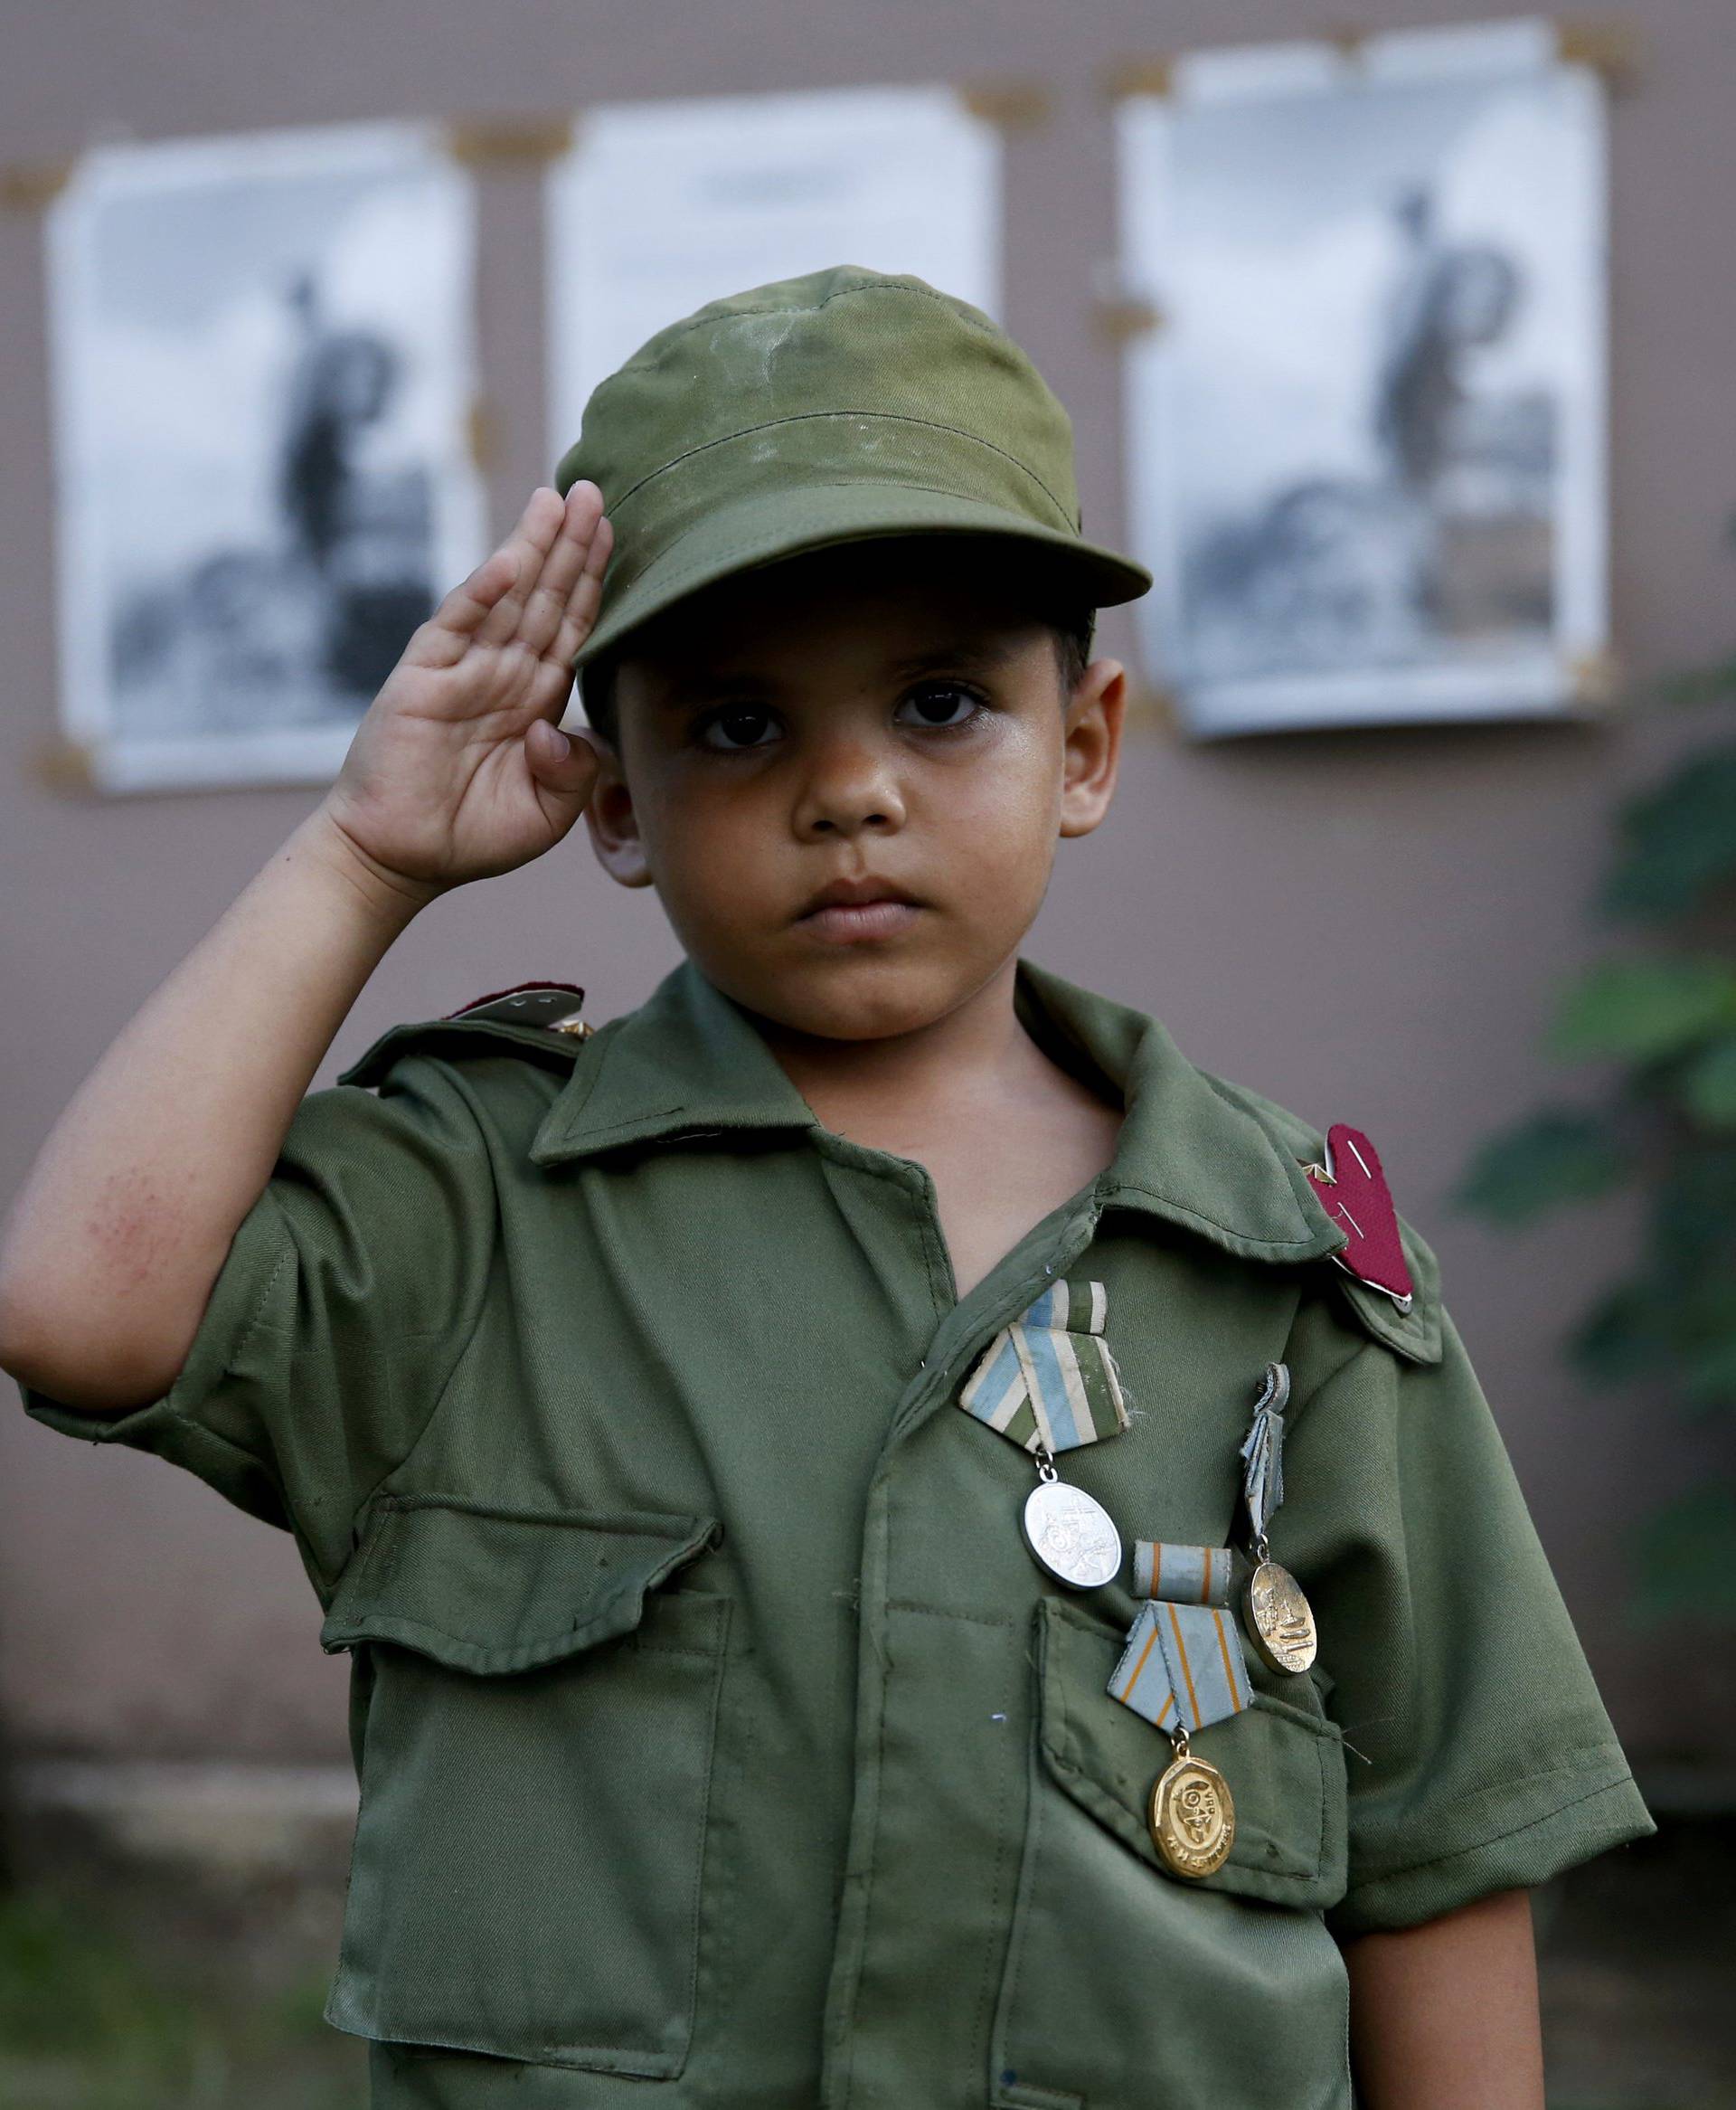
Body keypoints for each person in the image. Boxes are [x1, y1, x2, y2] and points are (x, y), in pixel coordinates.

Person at [0, 266, 1649, 2109]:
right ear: (609, 798)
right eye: (733, 725)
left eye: (941, 704)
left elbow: (1438, 1853)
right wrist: (362, 855)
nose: (847, 789)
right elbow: (81, 1310)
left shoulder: (1285, 1258)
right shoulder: (483, 1205)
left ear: (1083, 747)